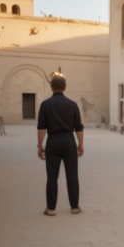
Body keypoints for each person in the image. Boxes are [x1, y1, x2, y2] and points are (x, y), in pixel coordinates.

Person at [37, 73, 85, 216]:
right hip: (69, 141)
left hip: (53, 142)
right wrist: (80, 144)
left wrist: (40, 146)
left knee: (52, 176)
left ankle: (51, 209)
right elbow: (79, 127)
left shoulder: (45, 105)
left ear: (51, 87)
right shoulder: (72, 105)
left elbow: (41, 128)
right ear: (65, 87)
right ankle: (75, 207)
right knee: (72, 175)